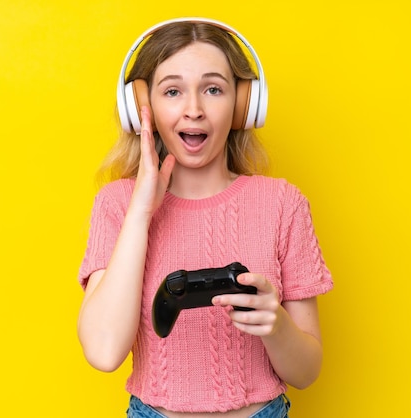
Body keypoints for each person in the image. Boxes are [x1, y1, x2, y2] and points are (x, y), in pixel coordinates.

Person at [77, 17, 333, 418]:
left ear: (243, 105)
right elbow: (105, 351)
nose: (194, 110)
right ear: (141, 108)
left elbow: (306, 372)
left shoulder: (283, 204)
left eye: (213, 89)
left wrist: (276, 324)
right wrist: (142, 209)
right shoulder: (116, 206)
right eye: (173, 91)